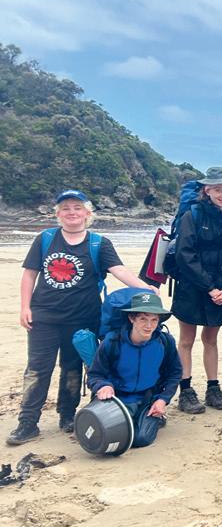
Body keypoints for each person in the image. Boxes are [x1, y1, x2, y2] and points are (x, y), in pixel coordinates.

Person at [7, 190, 157, 446]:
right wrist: (24, 307)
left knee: (72, 368)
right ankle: (27, 422)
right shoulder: (45, 239)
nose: (72, 212)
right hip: (43, 317)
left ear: (88, 213)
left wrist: (146, 289)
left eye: (77, 207)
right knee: (37, 369)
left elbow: (118, 270)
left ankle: (67, 416)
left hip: (82, 319)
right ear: (58, 214)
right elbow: (30, 274)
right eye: (65, 208)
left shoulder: (99, 243)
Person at [170, 167, 222, 415]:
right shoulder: (191, 215)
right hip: (192, 287)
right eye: (218, 189)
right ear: (206, 190)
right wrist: (210, 287)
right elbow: (185, 255)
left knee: (211, 339)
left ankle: (213, 388)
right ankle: (186, 391)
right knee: (186, 340)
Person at [86, 293, 183, 449]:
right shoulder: (112, 342)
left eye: (154, 320)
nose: (149, 326)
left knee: (140, 439)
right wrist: (103, 386)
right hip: (116, 399)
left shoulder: (165, 342)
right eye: (143, 319)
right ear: (132, 318)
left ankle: (155, 418)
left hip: (147, 399)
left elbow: (174, 373)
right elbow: (94, 375)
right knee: (101, 435)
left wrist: (162, 399)